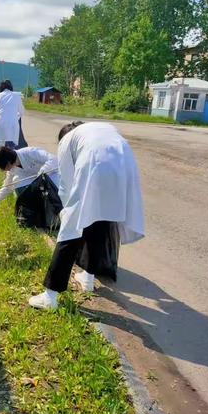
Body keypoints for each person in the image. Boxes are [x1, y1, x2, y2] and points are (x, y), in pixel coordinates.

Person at [28, 121, 145, 310]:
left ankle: (50, 296)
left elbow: (66, 184)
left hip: (97, 167)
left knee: (70, 232)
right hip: (124, 167)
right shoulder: (96, 130)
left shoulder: (66, 141)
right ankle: (88, 278)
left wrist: (67, 213)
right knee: (101, 221)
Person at [0, 145, 59, 211]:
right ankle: (36, 210)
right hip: (40, 183)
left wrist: (41, 174)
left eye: (1, 167)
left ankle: (53, 208)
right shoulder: (13, 168)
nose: (1, 170)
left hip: (54, 178)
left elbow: (54, 159)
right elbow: (8, 186)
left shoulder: (30, 152)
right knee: (16, 181)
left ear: (7, 162)